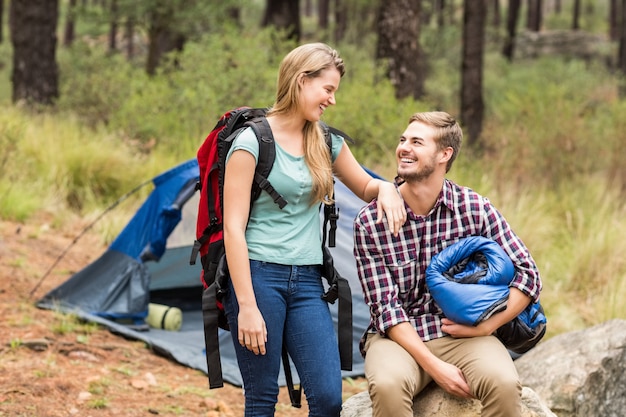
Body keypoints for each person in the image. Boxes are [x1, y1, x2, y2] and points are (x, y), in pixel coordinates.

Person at [222, 43, 407, 417]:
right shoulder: (250, 142)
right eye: (328, 89)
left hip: (308, 282)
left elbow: (366, 186)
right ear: (302, 81)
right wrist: (246, 306)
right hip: (258, 278)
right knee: (261, 400)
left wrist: (386, 187)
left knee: (327, 398)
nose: (332, 100)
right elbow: (232, 227)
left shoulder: (325, 141)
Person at [353, 111, 543, 417]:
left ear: (444, 154)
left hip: (462, 334)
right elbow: (385, 308)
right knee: (388, 387)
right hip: (397, 339)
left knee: (505, 384)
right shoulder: (370, 221)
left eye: (417, 142)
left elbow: (529, 275)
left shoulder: (474, 209)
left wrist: (487, 326)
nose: (404, 147)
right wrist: (437, 368)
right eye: (403, 140)